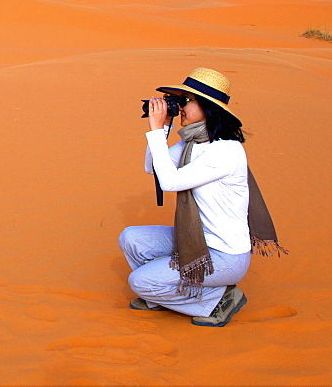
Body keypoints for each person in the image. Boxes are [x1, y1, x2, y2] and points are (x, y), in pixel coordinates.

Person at [119, 67, 286, 327]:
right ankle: (163, 295)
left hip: (224, 256)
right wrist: (161, 130)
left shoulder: (225, 152)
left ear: (207, 107)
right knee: (131, 239)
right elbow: (152, 168)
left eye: (186, 101)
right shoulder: (192, 143)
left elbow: (170, 181)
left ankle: (217, 298)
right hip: (197, 240)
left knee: (140, 281)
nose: (181, 107)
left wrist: (154, 130)